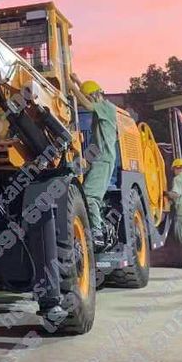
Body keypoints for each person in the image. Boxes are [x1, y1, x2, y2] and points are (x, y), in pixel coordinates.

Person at [69, 74, 118, 249]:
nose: (88, 100)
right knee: (87, 193)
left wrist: (71, 86)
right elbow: (89, 95)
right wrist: (77, 81)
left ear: (96, 95)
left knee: (90, 197)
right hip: (99, 158)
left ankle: (97, 233)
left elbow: (88, 105)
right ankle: (102, 226)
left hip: (103, 160)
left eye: (89, 96)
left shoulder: (107, 107)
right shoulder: (102, 109)